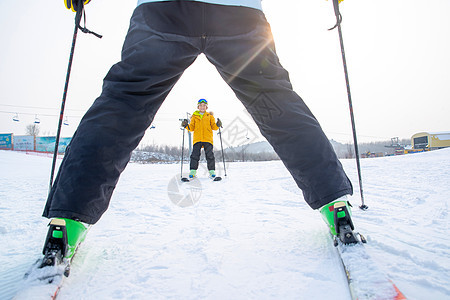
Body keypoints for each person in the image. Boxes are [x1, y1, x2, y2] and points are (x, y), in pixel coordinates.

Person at [42, 0, 356, 264]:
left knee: (124, 100)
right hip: (238, 14)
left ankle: (67, 221)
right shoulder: (196, 115)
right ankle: (334, 203)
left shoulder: (205, 114)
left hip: (162, 13)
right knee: (275, 99)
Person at [181, 98, 222, 179]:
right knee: (195, 155)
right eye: (200, 106)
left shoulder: (210, 116)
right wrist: (186, 125)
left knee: (209, 155)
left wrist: (218, 124)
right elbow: (191, 128)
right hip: (197, 139)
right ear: (198, 107)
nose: (202, 107)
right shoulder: (194, 117)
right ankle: (193, 171)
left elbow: (214, 127)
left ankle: (211, 171)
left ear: (206, 107)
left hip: (208, 139)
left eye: (204, 106)